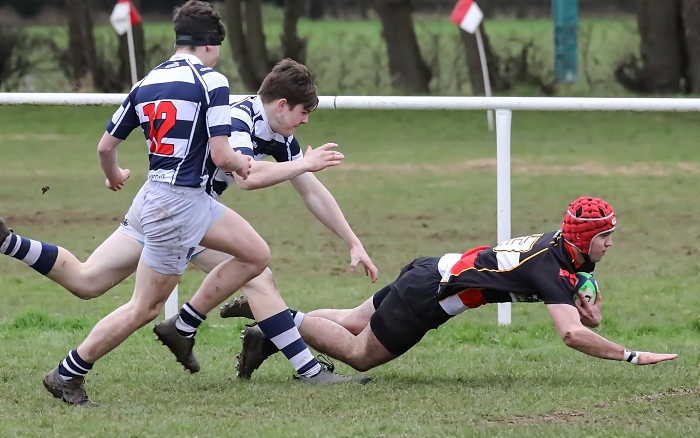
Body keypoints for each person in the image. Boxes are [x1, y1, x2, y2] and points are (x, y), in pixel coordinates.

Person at [1, 55, 376, 395]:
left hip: (157, 200)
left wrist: (352, 240)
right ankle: (300, 368)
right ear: (281, 105)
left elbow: (312, 191)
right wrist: (303, 164)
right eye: (304, 112)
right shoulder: (239, 116)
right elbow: (247, 173)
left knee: (87, 281)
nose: (306, 120)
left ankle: (9, 243)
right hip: (184, 210)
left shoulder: (280, 134)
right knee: (257, 275)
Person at [221, 197, 678, 379]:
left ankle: (273, 330)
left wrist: (588, 308)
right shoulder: (550, 269)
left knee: (355, 320)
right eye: (605, 236)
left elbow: (578, 306)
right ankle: (274, 321)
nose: (611, 244)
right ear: (582, 239)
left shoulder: (560, 251)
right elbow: (571, 334)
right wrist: (632, 355)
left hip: (431, 268)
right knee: (361, 355)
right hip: (432, 294)